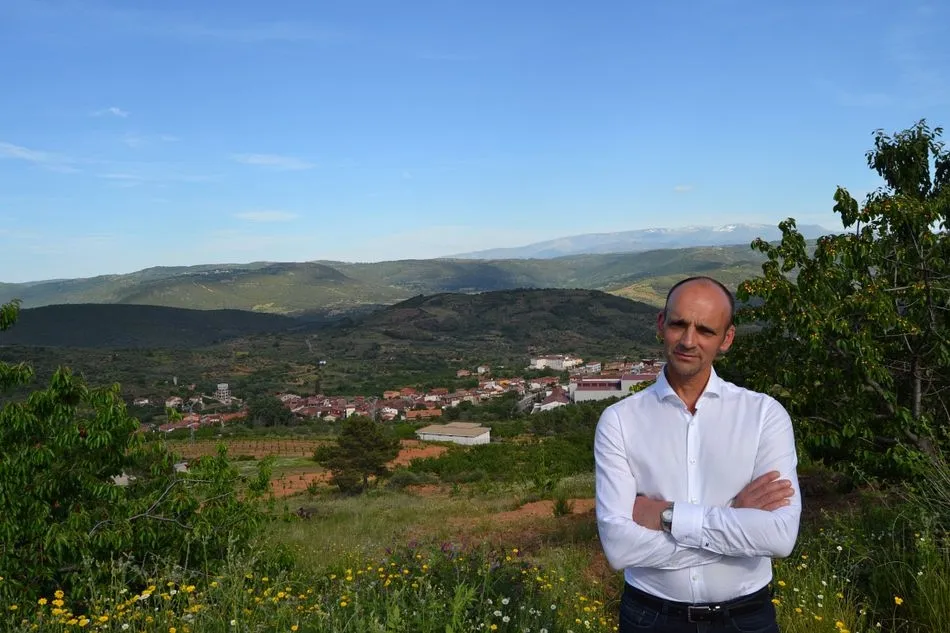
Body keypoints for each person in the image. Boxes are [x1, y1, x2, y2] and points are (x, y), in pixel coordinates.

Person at [594, 276, 801, 632]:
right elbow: (619, 547)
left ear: (727, 339)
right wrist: (735, 516)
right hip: (650, 616)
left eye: (705, 330)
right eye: (678, 324)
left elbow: (779, 537)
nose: (689, 340)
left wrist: (669, 517)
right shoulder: (619, 421)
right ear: (661, 324)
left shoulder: (765, 415)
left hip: (745, 617)